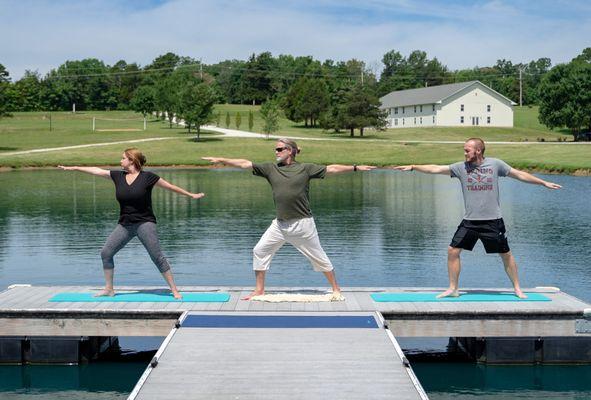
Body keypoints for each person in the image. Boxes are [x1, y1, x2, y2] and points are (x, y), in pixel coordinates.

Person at [203, 138, 375, 300]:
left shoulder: (305, 169)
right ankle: (259, 290)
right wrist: (222, 159)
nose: (276, 152)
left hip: (302, 224)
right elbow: (244, 163)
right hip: (279, 224)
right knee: (260, 251)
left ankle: (336, 289)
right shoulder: (271, 169)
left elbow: (332, 169)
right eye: (275, 149)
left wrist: (355, 167)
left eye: (279, 149)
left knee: (319, 257)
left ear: (290, 151)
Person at [395, 138, 562, 299]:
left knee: (505, 254)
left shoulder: (496, 164)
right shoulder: (460, 168)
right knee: (453, 251)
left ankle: (517, 288)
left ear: (478, 150)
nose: (465, 153)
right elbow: (436, 169)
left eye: (467, 150)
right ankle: (453, 289)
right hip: (470, 221)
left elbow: (519, 175)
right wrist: (413, 167)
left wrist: (543, 183)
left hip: (493, 221)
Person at [58, 148, 204, 299]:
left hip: (145, 223)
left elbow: (170, 187)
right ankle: (109, 289)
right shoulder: (118, 176)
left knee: (157, 257)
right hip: (125, 225)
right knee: (106, 253)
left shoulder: (148, 177)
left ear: (132, 160)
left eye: (123, 158)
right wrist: (75, 168)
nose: (120, 161)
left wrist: (190, 195)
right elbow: (97, 171)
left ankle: (174, 290)